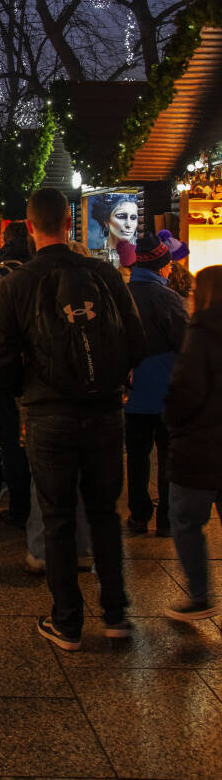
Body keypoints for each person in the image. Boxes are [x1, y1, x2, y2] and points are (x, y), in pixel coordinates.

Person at [0, 187, 145, 651]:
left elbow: (0, 358)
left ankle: (68, 622)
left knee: (56, 515)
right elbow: (135, 341)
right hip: (102, 411)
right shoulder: (105, 275)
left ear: (31, 226)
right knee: (104, 513)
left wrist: (25, 393)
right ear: (69, 224)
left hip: (47, 411)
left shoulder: (18, 282)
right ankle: (116, 615)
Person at [163, 266, 222, 620]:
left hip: (200, 446)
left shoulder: (200, 333)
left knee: (185, 519)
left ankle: (200, 594)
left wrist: (173, 420)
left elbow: (186, 389)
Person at [125, 232, 188, 537]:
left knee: (136, 457)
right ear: (161, 266)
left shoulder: (121, 295)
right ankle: (165, 519)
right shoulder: (168, 299)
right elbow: (185, 345)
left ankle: (138, 515)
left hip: (131, 395)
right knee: (168, 458)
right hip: (166, 393)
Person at [0, 221, 32, 527]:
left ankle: (19, 505)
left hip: (6, 369)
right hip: (39, 369)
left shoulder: (0, 276)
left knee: (11, 438)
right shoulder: (40, 272)